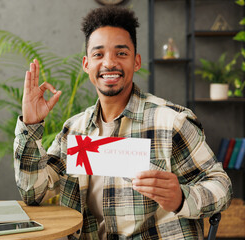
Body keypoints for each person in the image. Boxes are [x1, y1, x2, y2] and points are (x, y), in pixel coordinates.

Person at [14, 6, 232, 240]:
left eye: (121, 53)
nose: (109, 63)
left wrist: (181, 197)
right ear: (86, 64)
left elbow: (222, 187)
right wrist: (31, 124)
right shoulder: (74, 130)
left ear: (136, 61)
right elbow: (32, 192)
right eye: (99, 54)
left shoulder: (171, 122)